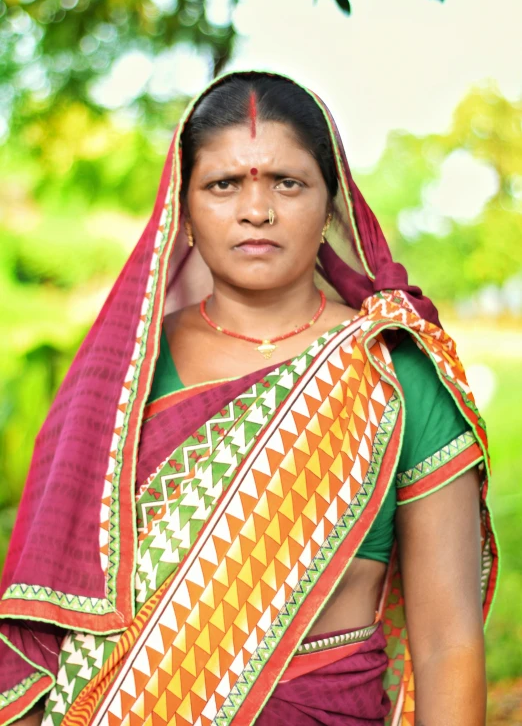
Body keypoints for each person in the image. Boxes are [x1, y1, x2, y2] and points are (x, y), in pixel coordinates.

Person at [0, 71, 497, 726]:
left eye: (287, 182)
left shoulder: (395, 370)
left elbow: (447, 642)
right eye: (223, 184)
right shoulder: (121, 377)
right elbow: (48, 620)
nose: (255, 210)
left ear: (331, 203)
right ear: (183, 206)